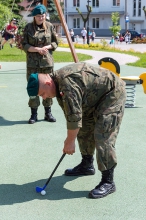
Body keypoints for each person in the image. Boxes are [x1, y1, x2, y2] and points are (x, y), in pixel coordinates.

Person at [27, 62, 126, 199]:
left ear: (48, 83)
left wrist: (69, 141)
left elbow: (74, 118)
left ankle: (108, 181)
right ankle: (87, 165)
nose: (44, 97)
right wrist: (72, 136)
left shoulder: (67, 84)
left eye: (43, 93)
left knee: (103, 135)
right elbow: (74, 117)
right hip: (92, 97)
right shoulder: (58, 86)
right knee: (84, 128)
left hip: (111, 94)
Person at [21, 4, 58, 124]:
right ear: (34, 17)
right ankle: (34, 114)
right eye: (38, 16)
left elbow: (55, 43)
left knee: (48, 87)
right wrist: (37, 49)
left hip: (46, 63)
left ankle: (48, 113)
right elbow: (24, 45)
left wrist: (46, 47)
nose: (41, 18)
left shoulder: (50, 26)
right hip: (33, 64)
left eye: (42, 15)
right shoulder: (28, 28)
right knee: (34, 88)